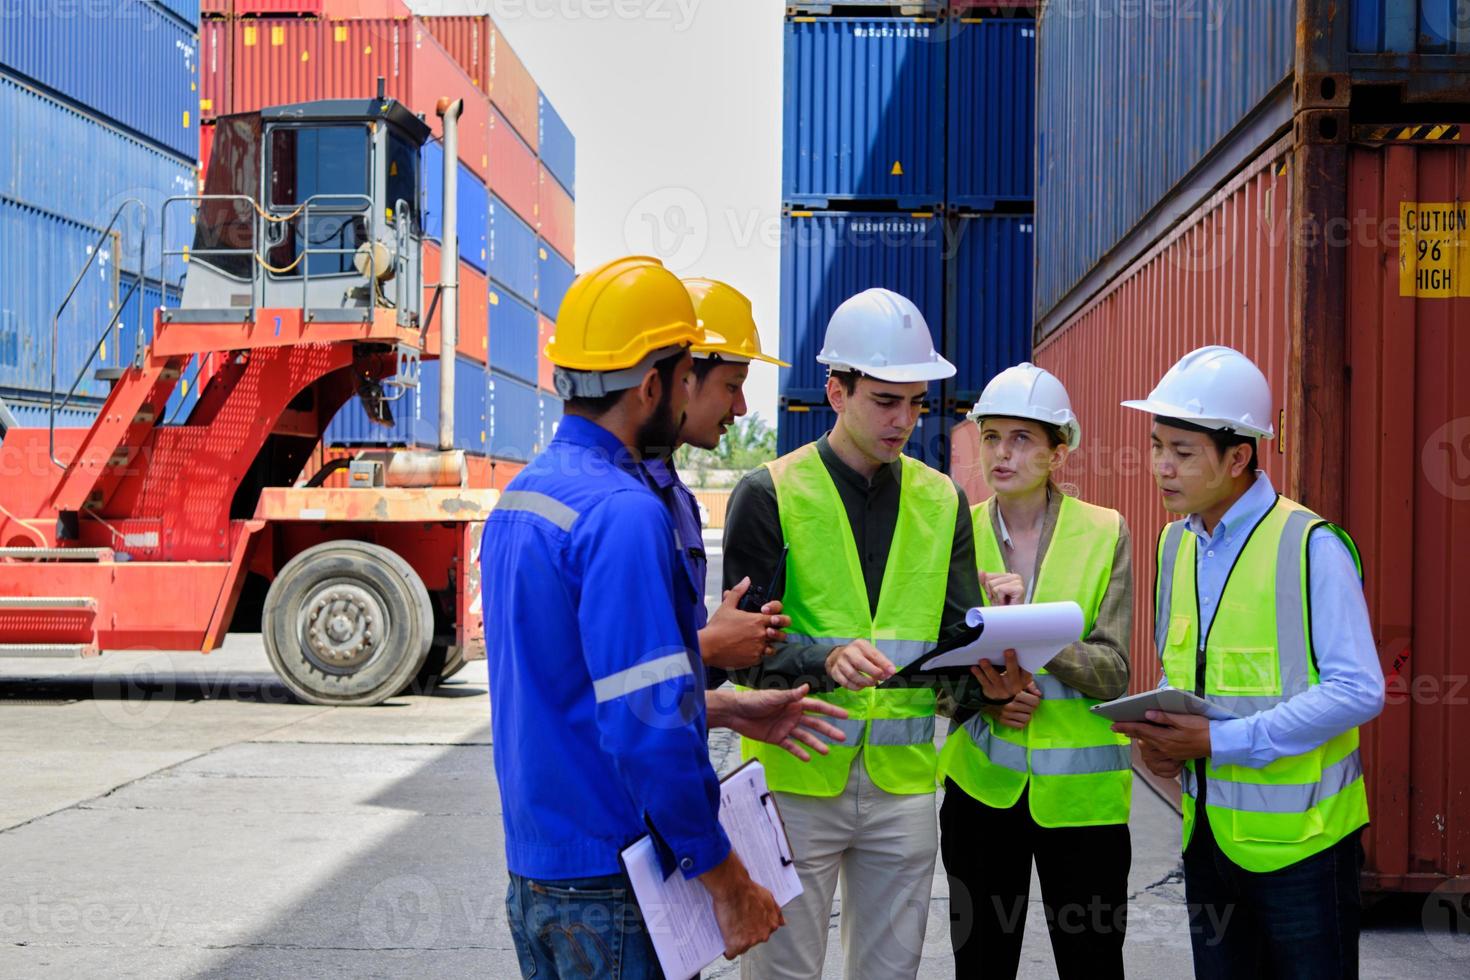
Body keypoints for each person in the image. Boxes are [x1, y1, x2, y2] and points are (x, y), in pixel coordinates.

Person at [482, 256, 851, 979]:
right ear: (652, 386)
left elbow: (570, 699)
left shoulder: (522, 499)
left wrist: (724, 706)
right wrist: (726, 879)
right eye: (690, 380)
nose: (700, 401)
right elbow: (642, 726)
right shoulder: (622, 513)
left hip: (538, 874)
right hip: (613, 879)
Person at [725, 288, 1029, 980]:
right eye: (885, 400)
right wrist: (824, 658)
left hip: (904, 787)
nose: (904, 420)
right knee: (781, 973)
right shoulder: (768, 493)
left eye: (916, 402)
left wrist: (993, 679)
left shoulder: (943, 499)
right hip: (792, 777)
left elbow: (951, 648)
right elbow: (738, 656)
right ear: (836, 390)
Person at [1111, 345, 1384, 979]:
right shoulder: (1174, 544)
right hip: (1206, 839)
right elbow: (1186, 671)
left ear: (1239, 457)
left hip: (1304, 850)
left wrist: (1222, 740)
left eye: (1182, 452)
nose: (1161, 468)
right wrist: (1164, 739)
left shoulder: (1310, 545)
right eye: (1157, 446)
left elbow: (1358, 689)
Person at [936, 363, 1135, 979]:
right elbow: (934, 677)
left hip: (1083, 805)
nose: (1001, 453)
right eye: (991, 437)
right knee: (982, 965)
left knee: (1092, 965)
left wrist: (1034, 630)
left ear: (1058, 451)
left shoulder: (1105, 533)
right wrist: (985, 698)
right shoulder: (956, 535)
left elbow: (1115, 672)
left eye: (1022, 438)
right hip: (982, 796)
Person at [644, 278, 793, 689]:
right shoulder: (620, 505)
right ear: (685, 377)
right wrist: (708, 645)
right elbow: (606, 680)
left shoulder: (679, 502)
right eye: (733, 385)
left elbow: (673, 684)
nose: (742, 408)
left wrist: (731, 645)